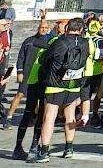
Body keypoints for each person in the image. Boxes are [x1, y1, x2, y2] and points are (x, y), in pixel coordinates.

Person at [29, 18, 88, 163]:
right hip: (74, 83)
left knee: (49, 116)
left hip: (55, 83)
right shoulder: (85, 43)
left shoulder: (59, 42)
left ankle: (44, 151)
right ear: (81, 30)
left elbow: (44, 59)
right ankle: (69, 148)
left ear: (68, 28)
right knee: (70, 116)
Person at [11, 20, 53, 160]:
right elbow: (21, 57)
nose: (44, 30)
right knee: (27, 114)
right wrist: (20, 71)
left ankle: (34, 146)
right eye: (42, 27)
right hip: (29, 80)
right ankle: (18, 147)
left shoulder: (50, 44)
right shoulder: (29, 41)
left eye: (46, 28)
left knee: (41, 115)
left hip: (42, 83)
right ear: (38, 28)